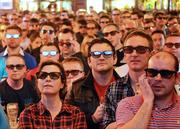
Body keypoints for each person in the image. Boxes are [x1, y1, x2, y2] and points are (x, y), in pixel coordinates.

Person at [103, 30, 153, 129]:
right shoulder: (113, 88)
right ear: (125, 55)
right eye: (128, 49)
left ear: (151, 54)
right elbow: (106, 126)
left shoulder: (160, 85)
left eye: (141, 49)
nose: (134, 54)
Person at [116, 51, 180, 129]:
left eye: (166, 73)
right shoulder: (128, 104)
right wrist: (148, 101)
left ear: (177, 78)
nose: (158, 78)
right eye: (152, 72)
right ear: (145, 75)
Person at [67, 38, 121, 129]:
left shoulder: (126, 85)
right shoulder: (76, 88)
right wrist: (92, 119)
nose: (101, 57)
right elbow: (67, 121)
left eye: (107, 54)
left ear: (115, 59)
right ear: (89, 61)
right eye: (96, 54)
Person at [19, 60, 87, 129]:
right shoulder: (28, 114)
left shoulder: (76, 114)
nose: (47, 79)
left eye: (54, 76)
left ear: (62, 84)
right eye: (42, 75)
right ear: (37, 82)